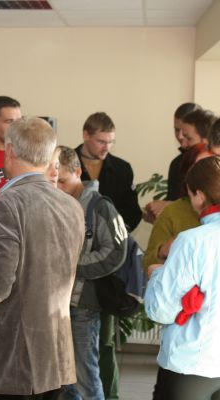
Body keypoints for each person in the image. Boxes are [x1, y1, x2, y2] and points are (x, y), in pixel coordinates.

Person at [0, 117, 85, 399]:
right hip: (53, 356)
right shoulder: (72, 206)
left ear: (9, 151)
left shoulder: (6, 204)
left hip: (8, 361)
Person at [74, 111, 140, 400]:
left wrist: (113, 233)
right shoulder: (65, 162)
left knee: (103, 340)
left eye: (111, 142)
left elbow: (132, 212)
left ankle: (108, 394)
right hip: (76, 262)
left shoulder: (121, 169)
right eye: (101, 141)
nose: (106, 147)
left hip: (107, 263)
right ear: (86, 135)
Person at [145, 155, 220, 400]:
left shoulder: (192, 241)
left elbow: (161, 310)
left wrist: (158, 274)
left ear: (198, 195)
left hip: (195, 362)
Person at [56, 146, 128, 400]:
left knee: (86, 376)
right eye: (53, 181)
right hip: (57, 304)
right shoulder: (57, 204)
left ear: (78, 172)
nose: (57, 188)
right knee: (64, 379)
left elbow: (115, 253)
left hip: (84, 304)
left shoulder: (99, 206)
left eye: (62, 181)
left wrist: (72, 265)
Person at [143, 144, 211, 270]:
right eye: (198, 167)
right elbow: (147, 264)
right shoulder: (172, 212)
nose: (205, 173)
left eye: (211, 167)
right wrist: (163, 251)